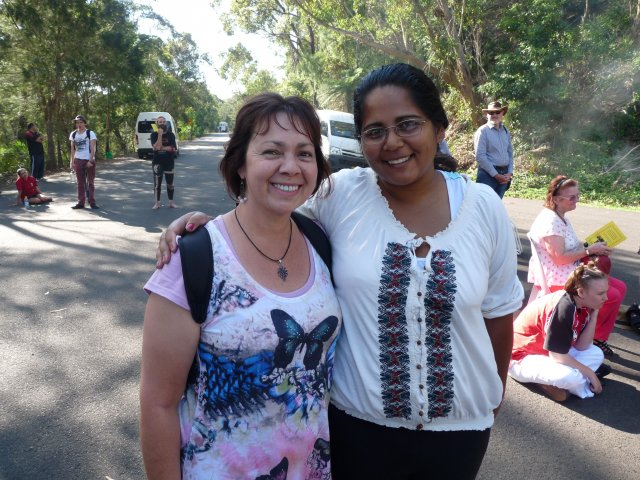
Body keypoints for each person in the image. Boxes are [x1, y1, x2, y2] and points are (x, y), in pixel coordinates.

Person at [157, 63, 524, 479]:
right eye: (375, 131)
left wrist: (493, 399)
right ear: (361, 140)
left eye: (408, 124)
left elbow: (498, 314)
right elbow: (271, 211)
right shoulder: (341, 195)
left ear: (438, 129)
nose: (392, 142)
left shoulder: (484, 208)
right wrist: (206, 225)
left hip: (460, 435)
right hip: (356, 433)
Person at [140, 93, 341, 479]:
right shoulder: (193, 259)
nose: (291, 167)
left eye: (304, 153)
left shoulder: (319, 239)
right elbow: (158, 406)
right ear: (241, 164)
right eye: (271, 152)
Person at [527, 175, 627, 356]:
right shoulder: (551, 222)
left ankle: (597, 337)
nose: (576, 200)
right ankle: (591, 336)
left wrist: (594, 248)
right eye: (572, 197)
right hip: (560, 276)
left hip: (571, 270)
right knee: (611, 295)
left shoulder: (560, 216)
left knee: (620, 287)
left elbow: (571, 249)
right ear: (556, 199)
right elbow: (560, 258)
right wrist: (589, 251)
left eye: (577, 195)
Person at [510, 263, 610, 402]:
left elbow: (582, 346)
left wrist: (595, 313)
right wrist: (590, 373)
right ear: (581, 292)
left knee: (596, 353)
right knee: (570, 377)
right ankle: (572, 383)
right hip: (520, 358)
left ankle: (562, 385)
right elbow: (557, 356)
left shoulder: (582, 302)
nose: (606, 298)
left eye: (606, 292)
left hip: (547, 354)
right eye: (600, 293)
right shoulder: (564, 308)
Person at [474, 101, 514, 198]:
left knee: (496, 207)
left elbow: (510, 152)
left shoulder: (505, 131)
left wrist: (509, 172)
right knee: (484, 207)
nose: (494, 115)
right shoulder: (482, 131)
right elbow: (480, 156)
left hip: (504, 175)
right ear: (487, 115)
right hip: (487, 176)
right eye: (491, 113)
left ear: (502, 114)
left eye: (497, 112)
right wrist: (496, 175)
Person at [69, 115, 99, 209]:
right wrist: (72, 162)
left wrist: (90, 160)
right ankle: (81, 202)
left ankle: (92, 202)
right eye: (77, 122)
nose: (79, 124)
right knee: (80, 182)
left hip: (88, 159)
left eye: (81, 122)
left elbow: (93, 148)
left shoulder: (90, 133)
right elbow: (73, 149)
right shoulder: (73, 134)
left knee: (90, 182)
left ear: (84, 123)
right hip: (78, 159)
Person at [150, 115, 178, 209]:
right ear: (157, 124)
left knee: (170, 183)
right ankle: (157, 203)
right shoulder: (154, 135)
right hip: (157, 162)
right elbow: (156, 148)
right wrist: (160, 135)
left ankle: (171, 202)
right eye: (160, 122)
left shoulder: (171, 135)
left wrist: (161, 148)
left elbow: (173, 148)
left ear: (166, 123)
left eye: (163, 122)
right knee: (157, 184)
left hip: (169, 162)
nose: (162, 123)